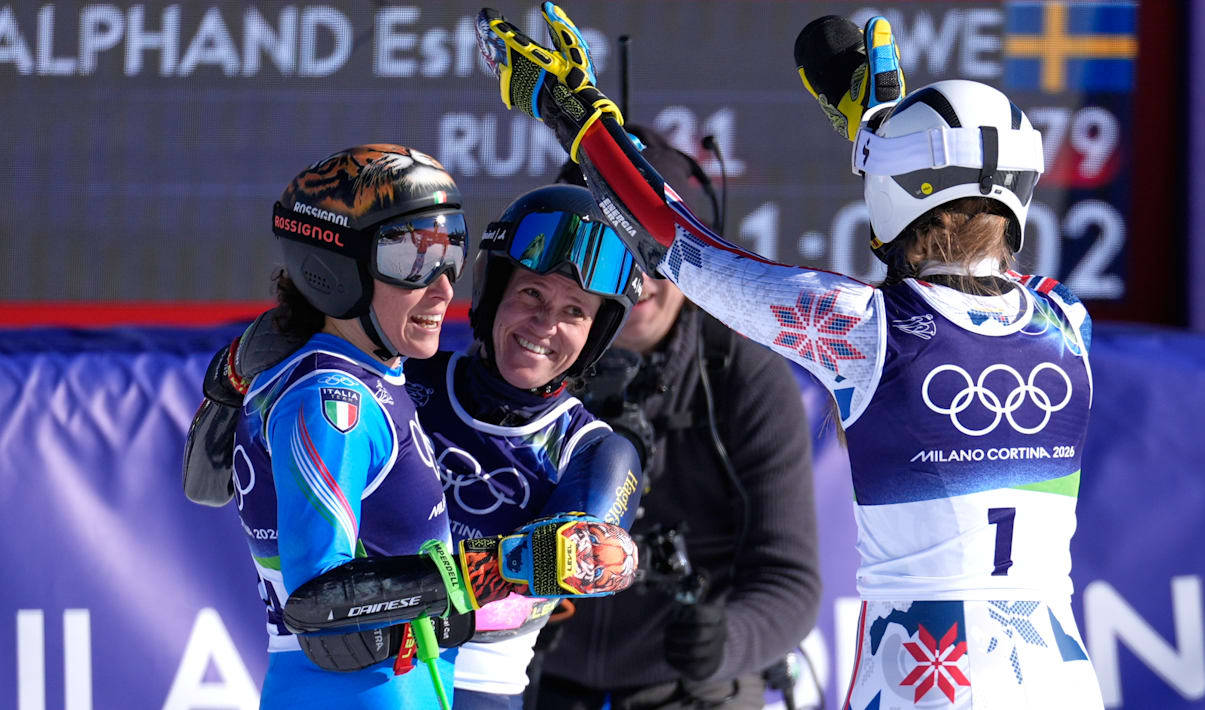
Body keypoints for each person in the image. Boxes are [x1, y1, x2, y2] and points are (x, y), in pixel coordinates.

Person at [477, 6, 1106, 709]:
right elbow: (961, 257)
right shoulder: (1064, 317)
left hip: (927, 680)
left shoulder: (867, 333)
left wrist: (573, 114)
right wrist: (886, 140)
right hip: (1060, 678)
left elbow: (676, 245)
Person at [184, 179, 647, 709]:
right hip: (359, 676)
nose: (545, 324)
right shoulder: (395, 378)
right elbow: (208, 485)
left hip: (476, 686)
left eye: (575, 313)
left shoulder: (595, 451)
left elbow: (568, 572)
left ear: (597, 334)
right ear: (493, 292)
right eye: (531, 294)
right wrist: (233, 381)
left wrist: (515, 567)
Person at [534, 125, 821, 710]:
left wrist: (727, 639)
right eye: (609, 249)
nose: (638, 277)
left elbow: (790, 580)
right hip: (537, 682)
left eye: (657, 252)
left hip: (694, 690)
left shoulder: (742, 377)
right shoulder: (523, 360)